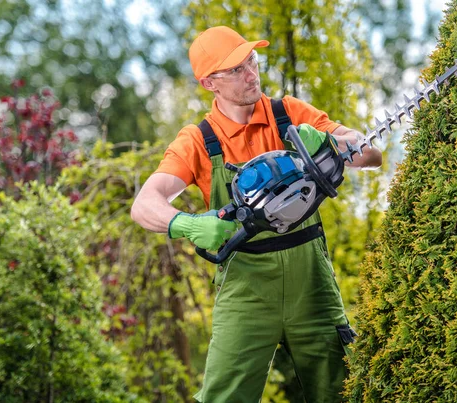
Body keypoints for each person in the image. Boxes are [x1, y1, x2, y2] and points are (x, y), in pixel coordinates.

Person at [131, 25, 382, 403]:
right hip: (246, 290)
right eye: (235, 70)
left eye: (251, 61)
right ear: (208, 83)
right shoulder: (199, 140)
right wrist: (183, 223)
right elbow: (144, 203)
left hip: (312, 283)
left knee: (342, 392)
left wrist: (331, 144)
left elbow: (371, 155)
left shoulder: (290, 114)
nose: (251, 74)